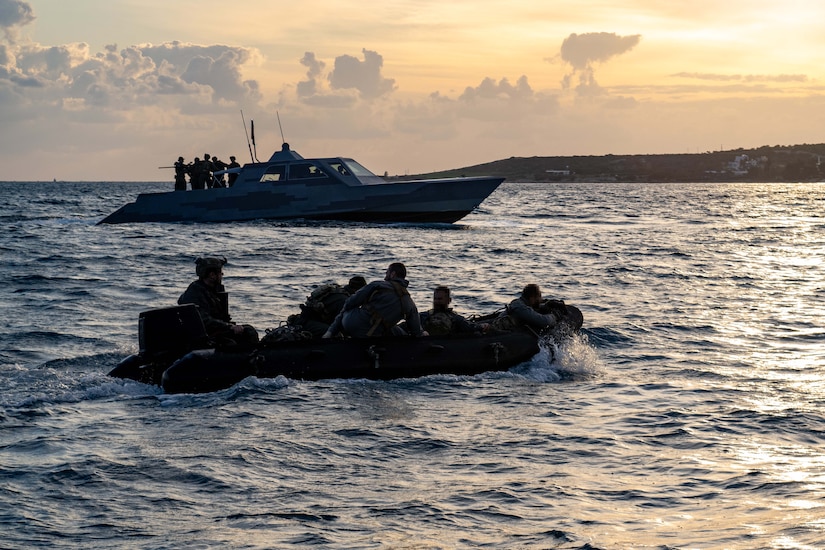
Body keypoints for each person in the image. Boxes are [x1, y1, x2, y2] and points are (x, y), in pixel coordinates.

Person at [323, 263, 428, 338]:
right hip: (374, 334)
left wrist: (332, 329)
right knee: (397, 331)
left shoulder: (377, 285)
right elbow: (415, 330)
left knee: (347, 308)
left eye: (386, 273)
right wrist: (421, 332)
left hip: (352, 325)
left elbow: (349, 303)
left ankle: (329, 334)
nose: (385, 276)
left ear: (393, 274)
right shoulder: (409, 302)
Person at [178, 256, 259, 347]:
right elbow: (203, 320)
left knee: (248, 331)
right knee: (232, 343)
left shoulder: (213, 290)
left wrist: (229, 325)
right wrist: (229, 327)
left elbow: (222, 317)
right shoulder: (195, 293)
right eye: (220, 273)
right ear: (212, 275)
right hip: (205, 335)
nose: (221, 276)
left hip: (216, 330)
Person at [288, 276, 367, 338]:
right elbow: (343, 324)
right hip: (308, 323)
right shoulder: (344, 300)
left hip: (304, 320)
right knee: (335, 335)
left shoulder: (338, 292)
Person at [419, 285, 490, 335]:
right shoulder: (424, 316)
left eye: (440, 299)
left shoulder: (454, 318)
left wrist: (482, 326)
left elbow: (469, 327)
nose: (437, 301)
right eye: (435, 299)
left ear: (448, 300)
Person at [497, 283, 561, 332]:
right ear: (532, 298)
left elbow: (534, 307)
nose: (541, 300)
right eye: (539, 297)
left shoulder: (519, 303)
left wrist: (546, 305)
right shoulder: (521, 309)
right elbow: (543, 321)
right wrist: (554, 316)